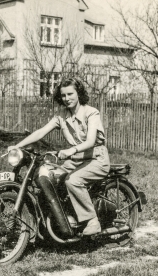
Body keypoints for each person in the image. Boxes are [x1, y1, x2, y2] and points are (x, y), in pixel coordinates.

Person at [8, 77, 110, 235]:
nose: (67, 98)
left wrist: (71, 151)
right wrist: (18, 146)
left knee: (73, 180)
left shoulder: (91, 113)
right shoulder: (62, 115)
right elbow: (41, 131)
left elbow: (90, 141)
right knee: (49, 176)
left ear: (79, 94)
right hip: (76, 161)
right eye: (63, 95)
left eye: (70, 94)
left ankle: (92, 221)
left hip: (96, 159)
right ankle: (61, 219)